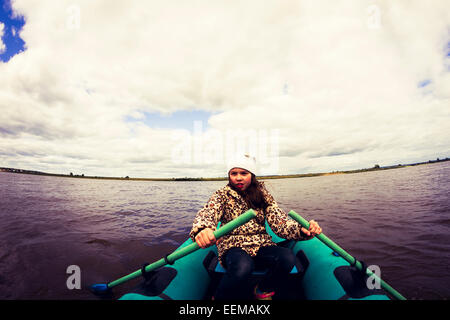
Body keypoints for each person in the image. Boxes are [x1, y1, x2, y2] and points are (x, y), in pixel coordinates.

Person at [189, 154, 322, 300]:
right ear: (229, 175)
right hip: (233, 244)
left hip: (261, 243)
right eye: (234, 173)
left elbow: (279, 221)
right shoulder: (221, 195)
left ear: (251, 175)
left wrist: (300, 230)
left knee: (287, 258)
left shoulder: (263, 195)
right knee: (243, 267)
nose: (238, 178)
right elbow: (208, 212)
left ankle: (262, 289)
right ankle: (220, 297)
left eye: (244, 173)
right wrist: (203, 228)